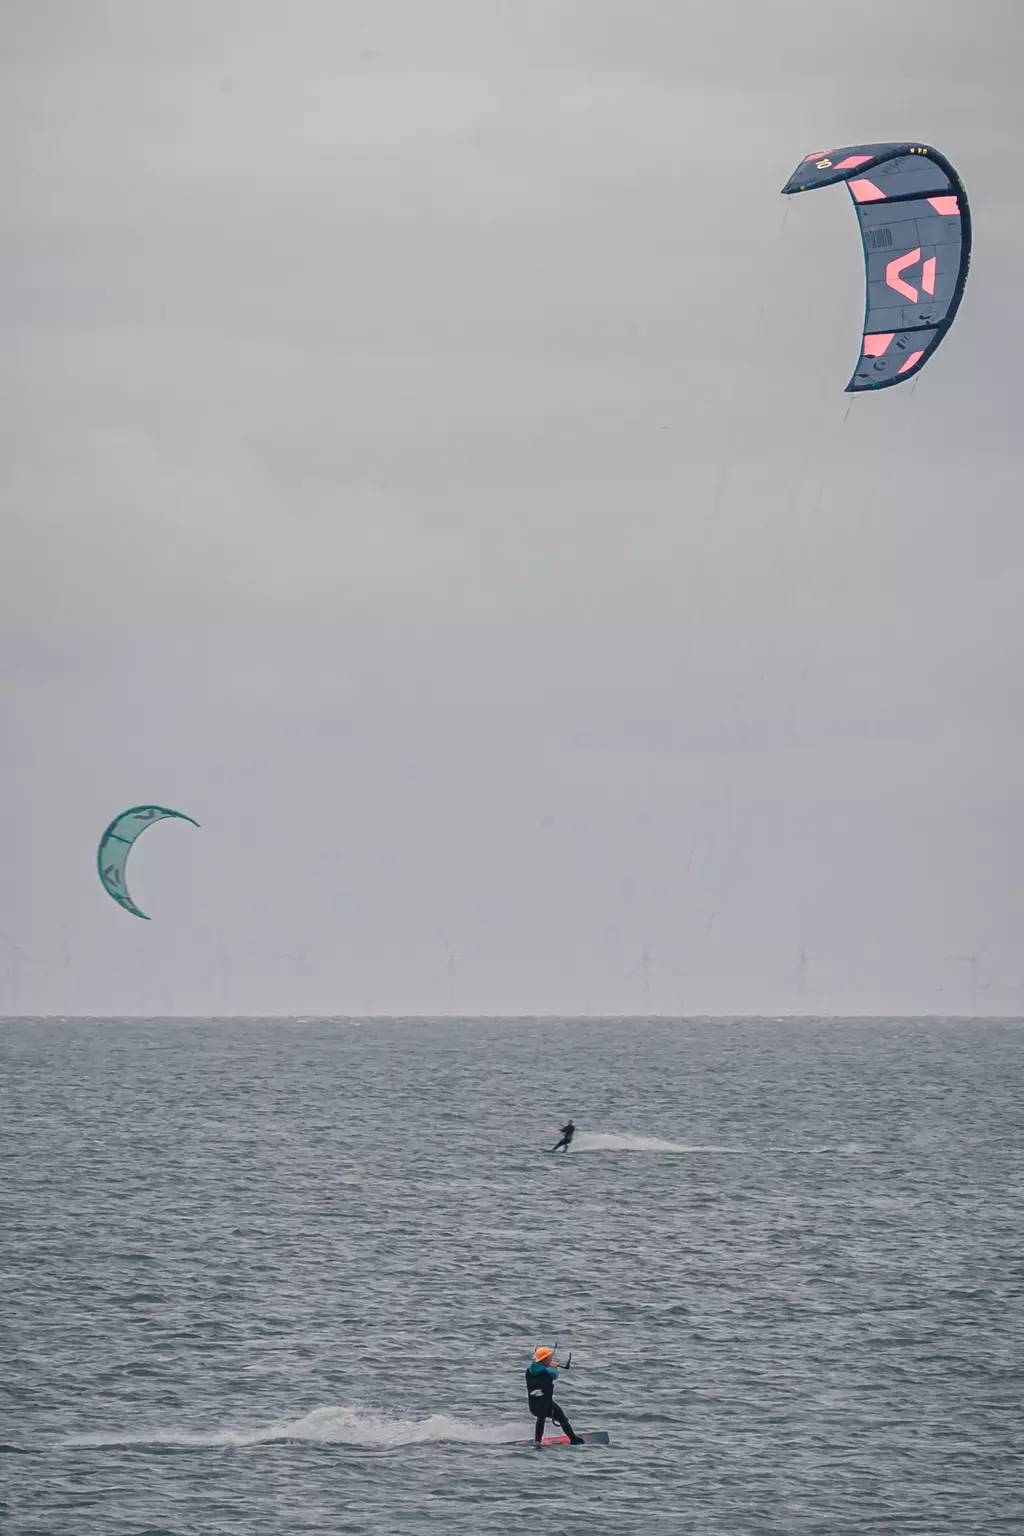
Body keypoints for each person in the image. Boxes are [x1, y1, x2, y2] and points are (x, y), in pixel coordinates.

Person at [525, 1345, 581, 1445]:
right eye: (549, 1357)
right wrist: (554, 1367)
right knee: (562, 1419)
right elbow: (554, 1375)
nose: (551, 1358)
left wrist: (547, 1365)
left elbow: (538, 1368)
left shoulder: (529, 1370)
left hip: (533, 1405)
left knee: (540, 1417)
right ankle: (573, 1439)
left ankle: (537, 1441)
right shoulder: (548, 1371)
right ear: (545, 1359)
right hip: (546, 1405)